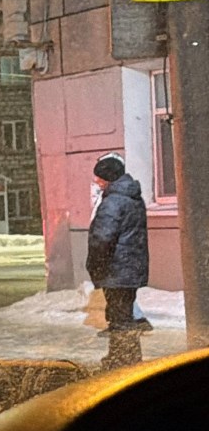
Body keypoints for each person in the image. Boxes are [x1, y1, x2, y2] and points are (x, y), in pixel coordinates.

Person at [86, 153, 150, 369]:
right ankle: (126, 357)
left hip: (116, 269)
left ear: (108, 179)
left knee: (119, 318)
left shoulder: (114, 202)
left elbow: (103, 238)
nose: (97, 183)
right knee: (124, 315)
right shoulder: (133, 197)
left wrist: (94, 265)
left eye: (99, 179)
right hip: (130, 267)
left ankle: (123, 361)